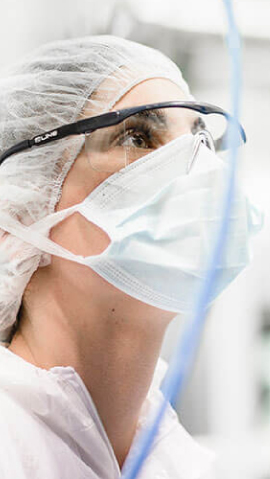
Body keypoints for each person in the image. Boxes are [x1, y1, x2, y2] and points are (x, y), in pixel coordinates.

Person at [0, 35, 258, 478]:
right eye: (136, 137)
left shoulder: (177, 460)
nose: (196, 169)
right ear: (22, 208)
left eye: (200, 138)